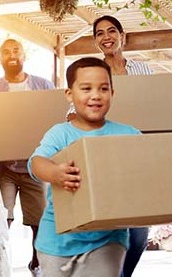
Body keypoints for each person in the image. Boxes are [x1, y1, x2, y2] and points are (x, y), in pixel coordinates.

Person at [27, 57, 143, 276]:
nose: (96, 95)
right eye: (86, 88)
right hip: (56, 242)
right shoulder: (60, 133)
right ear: (69, 94)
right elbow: (36, 163)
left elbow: (147, 172)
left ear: (113, 92)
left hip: (107, 241)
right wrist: (55, 173)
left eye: (103, 88)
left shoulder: (129, 134)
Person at [66, 15, 153, 277]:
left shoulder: (143, 71)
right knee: (109, 229)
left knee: (138, 235)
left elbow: (155, 108)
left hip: (135, 155)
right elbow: (70, 114)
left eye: (112, 31)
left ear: (122, 36)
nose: (106, 37)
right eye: (100, 33)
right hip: (103, 156)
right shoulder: (91, 72)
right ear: (95, 41)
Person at [0, 38, 55, 277]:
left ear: (24, 55)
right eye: (6, 52)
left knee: (39, 220)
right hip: (3, 168)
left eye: (16, 50)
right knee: (0, 219)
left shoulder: (44, 86)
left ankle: (36, 263)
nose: (11, 55)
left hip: (34, 166)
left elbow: (58, 120)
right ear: (0, 58)